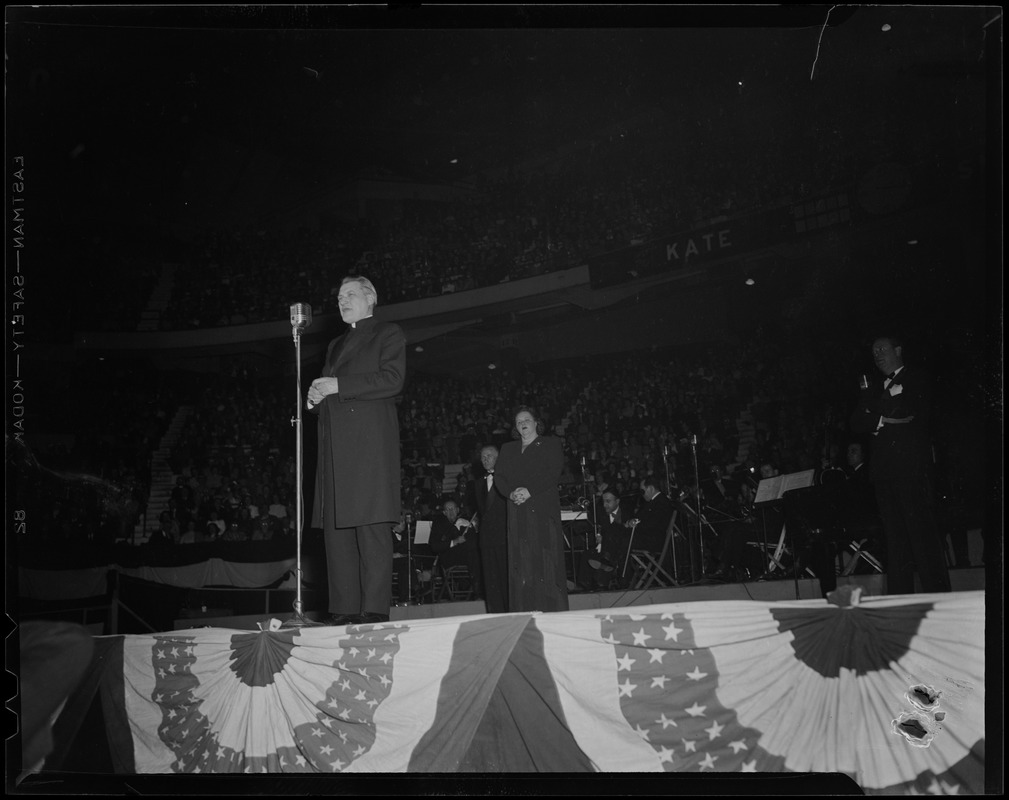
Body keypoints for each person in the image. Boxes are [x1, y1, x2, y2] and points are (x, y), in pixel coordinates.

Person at [308, 275, 406, 625]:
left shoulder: (387, 333)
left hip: (367, 449)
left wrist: (338, 385)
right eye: (339, 297)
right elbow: (330, 393)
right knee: (338, 533)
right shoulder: (335, 345)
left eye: (350, 294)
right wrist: (316, 398)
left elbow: (393, 379)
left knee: (370, 529)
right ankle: (345, 608)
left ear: (370, 298)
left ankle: (374, 609)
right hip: (336, 449)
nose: (342, 301)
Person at [849, 335, 951, 594]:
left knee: (922, 535)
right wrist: (884, 414)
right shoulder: (872, 385)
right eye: (874, 352)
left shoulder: (916, 377)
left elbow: (906, 411)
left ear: (898, 349)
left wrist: (876, 412)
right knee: (895, 541)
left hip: (911, 469)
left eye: (882, 349)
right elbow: (857, 420)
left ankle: (938, 596)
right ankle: (899, 598)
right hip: (883, 473)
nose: (878, 355)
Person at [494, 406, 568, 612]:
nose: (522, 423)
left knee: (546, 559)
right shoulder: (508, 448)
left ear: (536, 422)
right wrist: (510, 493)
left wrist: (530, 491)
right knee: (521, 561)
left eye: (526, 419)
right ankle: (523, 610)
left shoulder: (551, 444)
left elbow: (553, 472)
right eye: (518, 422)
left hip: (543, 508)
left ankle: (553, 610)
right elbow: (499, 477)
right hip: (517, 509)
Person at [473, 444, 509, 612]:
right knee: (490, 579)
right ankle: (495, 612)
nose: (485, 459)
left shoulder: (508, 479)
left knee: (506, 578)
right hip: (486, 539)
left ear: (498, 458)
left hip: (505, 537)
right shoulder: (478, 483)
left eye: (489, 456)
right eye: (482, 457)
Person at [429, 498, 483, 598]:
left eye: (453, 509)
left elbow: (474, 540)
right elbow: (435, 546)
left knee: (475, 549)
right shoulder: (439, 524)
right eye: (448, 510)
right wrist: (455, 541)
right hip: (449, 557)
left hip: (467, 556)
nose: (451, 512)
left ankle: (476, 587)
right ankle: (477, 588)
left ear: (458, 510)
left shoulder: (465, 521)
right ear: (444, 512)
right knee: (474, 552)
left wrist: (473, 528)